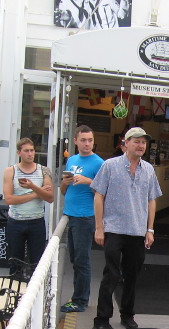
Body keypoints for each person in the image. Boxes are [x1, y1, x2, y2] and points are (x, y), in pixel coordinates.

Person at [90, 127, 162, 329]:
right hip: (113, 229)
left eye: (143, 142)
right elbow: (98, 196)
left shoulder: (148, 169)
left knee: (132, 275)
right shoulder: (110, 166)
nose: (140, 146)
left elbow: (152, 200)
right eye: (136, 141)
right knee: (111, 274)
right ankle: (101, 319)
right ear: (125, 143)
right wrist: (99, 227)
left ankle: (127, 314)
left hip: (138, 232)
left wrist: (150, 229)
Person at [59, 125, 105, 313]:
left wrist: (88, 181)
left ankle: (80, 300)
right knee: (75, 259)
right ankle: (78, 296)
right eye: (83, 140)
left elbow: (105, 193)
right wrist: (64, 182)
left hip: (86, 217)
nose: (87, 143)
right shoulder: (71, 160)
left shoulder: (99, 163)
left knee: (82, 260)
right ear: (76, 141)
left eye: (90, 140)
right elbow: (64, 191)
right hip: (70, 214)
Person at [3, 138, 54, 276]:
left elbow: (50, 198)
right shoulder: (10, 171)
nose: (30, 154)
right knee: (15, 262)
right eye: (26, 151)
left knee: (36, 264)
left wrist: (32, 186)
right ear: (19, 152)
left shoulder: (43, 171)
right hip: (16, 222)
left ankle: (34, 295)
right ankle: (15, 292)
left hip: (36, 222)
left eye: (32, 150)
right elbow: (9, 199)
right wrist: (36, 193)